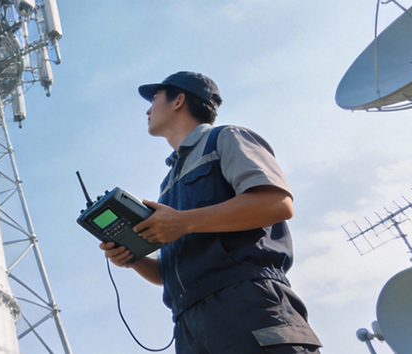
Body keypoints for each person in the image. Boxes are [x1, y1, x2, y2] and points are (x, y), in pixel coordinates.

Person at [100, 71, 321, 354]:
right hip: (189, 322)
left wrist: (183, 222)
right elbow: (168, 274)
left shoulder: (226, 138)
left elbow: (276, 203)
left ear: (178, 100)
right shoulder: (167, 183)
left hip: (247, 301)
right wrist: (134, 258)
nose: (147, 109)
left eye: (154, 99)